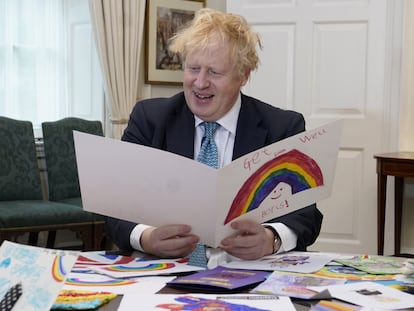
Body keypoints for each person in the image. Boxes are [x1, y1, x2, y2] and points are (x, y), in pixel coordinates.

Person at [105, 8, 323, 261]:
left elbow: (305, 214)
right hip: (163, 272)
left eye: (214, 72)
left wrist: (270, 239)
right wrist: (145, 237)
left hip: (248, 274)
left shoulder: (282, 128)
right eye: (193, 68)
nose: (200, 83)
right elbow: (115, 207)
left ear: (244, 75)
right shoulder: (149, 119)